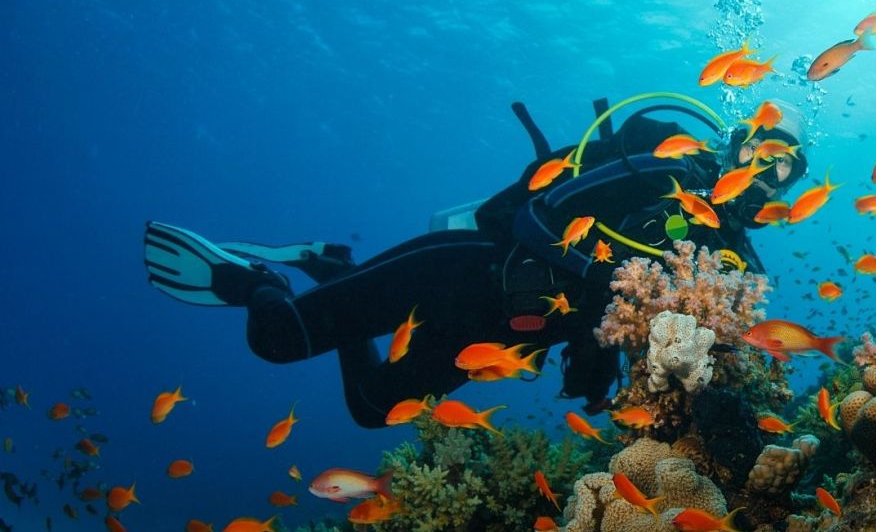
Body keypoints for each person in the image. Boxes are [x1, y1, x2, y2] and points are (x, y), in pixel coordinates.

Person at [144, 95, 806, 428]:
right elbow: (535, 218)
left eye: (790, 171)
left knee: (375, 410)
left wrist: (605, 356)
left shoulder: (732, 262)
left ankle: (334, 269)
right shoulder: (663, 171)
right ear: (739, 143)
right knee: (276, 338)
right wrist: (610, 281)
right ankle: (256, 280)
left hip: (498, 337)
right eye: (768, 152)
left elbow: (651, 332)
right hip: (467, 269)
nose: (773, 176)